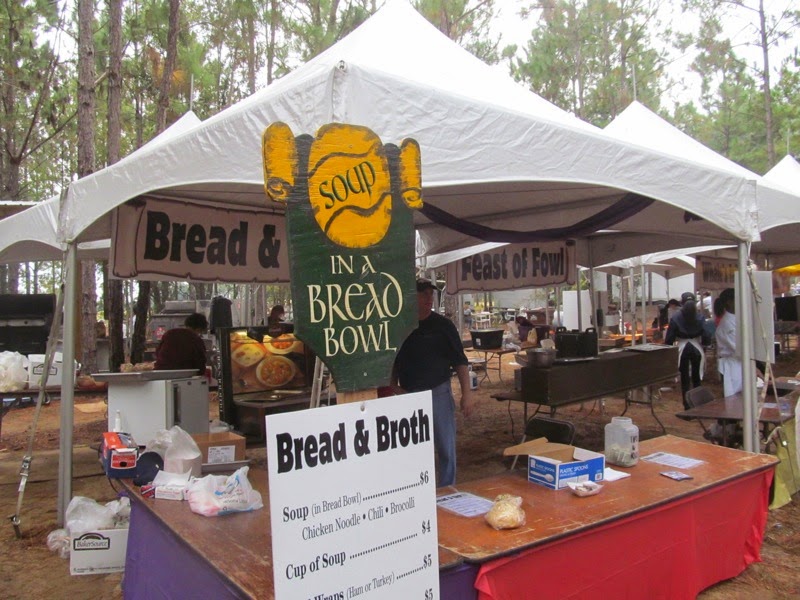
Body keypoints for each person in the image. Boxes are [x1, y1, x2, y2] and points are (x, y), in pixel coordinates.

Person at [392, 279, 475, 487]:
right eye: (424, 294)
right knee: (414, 448)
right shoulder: (400, 326)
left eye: (431, 294)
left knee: (446, 447)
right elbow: (391, 361)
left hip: (438, 392)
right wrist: (393, 388)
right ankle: (419, 490)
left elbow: (460, 361)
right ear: (412, 297)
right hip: (409, 394)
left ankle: (447, 489)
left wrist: (467, 394)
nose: (429, 298)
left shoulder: (443, 326)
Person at [665, 292, 711, 409]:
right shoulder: (700, 317)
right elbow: (706, 334)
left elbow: (670, 337)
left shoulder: (676, 317)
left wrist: (669, 347)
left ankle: (687, 406)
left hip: (682, 347)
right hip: (696, 347)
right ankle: (698, 405)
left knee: (685, 379)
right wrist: (705, 345)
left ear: (682, 303)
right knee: (696, 378)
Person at [715, 288, 742, 397]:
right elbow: (738, 348)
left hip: (740, 362)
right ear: (729, 302)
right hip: (733, 365)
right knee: (734, 399)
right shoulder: (727, 323)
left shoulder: (736, 318)